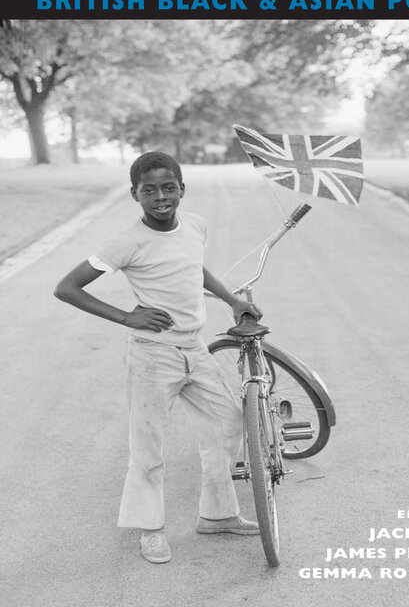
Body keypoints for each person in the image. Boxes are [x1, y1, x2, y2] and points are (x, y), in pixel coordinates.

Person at [54, 151, 263, 564]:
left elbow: (194, 266)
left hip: (195, 348)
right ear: (135, 194)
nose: (160, 196)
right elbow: (67, 287)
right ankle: (150, 529)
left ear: (181, 189)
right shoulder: (126, 242)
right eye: (149, 190)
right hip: (153, 355)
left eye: (169, 187)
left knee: (229, 422)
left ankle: (218, 515)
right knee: (148, 445)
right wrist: (127, 316)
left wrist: (230, 300)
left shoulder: (196, 226)